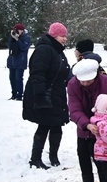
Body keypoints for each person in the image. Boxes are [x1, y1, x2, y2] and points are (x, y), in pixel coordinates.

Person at [22, 22, 71, 169]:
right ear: (54, 35)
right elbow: (37, 73)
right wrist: (40, 95)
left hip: (56, 94)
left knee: (57, 125)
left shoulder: (57, 51)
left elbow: (63, 72)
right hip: (45, 94)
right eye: (63, 36)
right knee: (44, 125)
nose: (65, 39)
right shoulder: (44, 50)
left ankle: (53, 156)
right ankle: (35, 158)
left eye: (65, 36)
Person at [7, 22, 31, 101]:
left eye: (19, 30)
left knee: (18, 78)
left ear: (22, 30)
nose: (17, 31)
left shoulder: (26, 38)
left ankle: (19, 94)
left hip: (21, 61)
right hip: (12, 61)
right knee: (12, 78)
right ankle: (13, 94)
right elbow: (9, 46)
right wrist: (12, 38)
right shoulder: (12, 37)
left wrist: (18, 40)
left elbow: (24, 47)